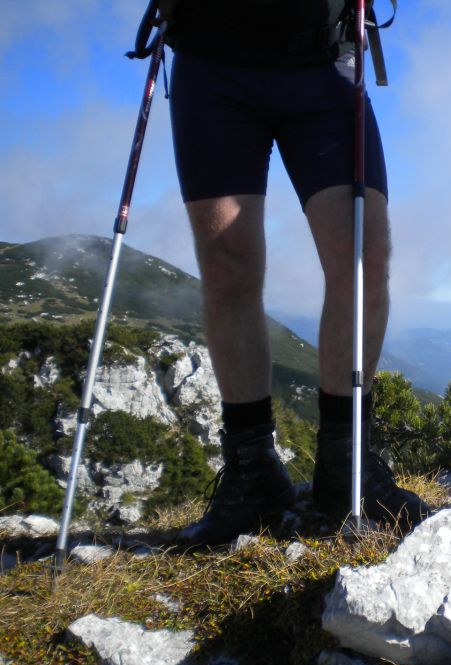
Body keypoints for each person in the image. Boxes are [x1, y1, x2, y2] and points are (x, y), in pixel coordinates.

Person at [163, 0, 430, 546]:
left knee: (363, 256)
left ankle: (345, 467)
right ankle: (253, 473)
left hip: (323, 58)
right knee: (227, 265)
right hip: (211, 54)